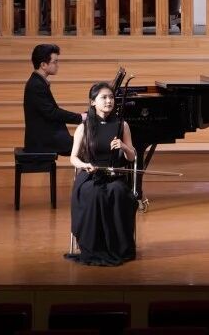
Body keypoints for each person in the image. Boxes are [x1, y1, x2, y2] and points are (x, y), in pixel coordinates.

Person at [66, 81, 138, 266]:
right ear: (93, 102)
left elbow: (132, 157)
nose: (109, 101)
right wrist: (84, 165)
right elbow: (73, 157)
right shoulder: (84, 127)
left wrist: (123, 146)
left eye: (111, 97)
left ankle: (117, 247)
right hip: (90, 176)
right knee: (94, 193)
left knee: (118, 192)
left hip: (114, 175)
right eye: (104, 97)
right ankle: (94, 247)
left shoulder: (122, 125)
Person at [23, 43, 83, 156]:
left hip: (46, 138)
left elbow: (51, 112)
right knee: (89, 147)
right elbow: (52, 113)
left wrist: (80, 117)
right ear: (43, 65)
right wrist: (80, 118)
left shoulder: (38, 82)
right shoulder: (36, 85)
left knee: (86, 146)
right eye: (55, 62)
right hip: (43, 142)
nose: (57, 65)